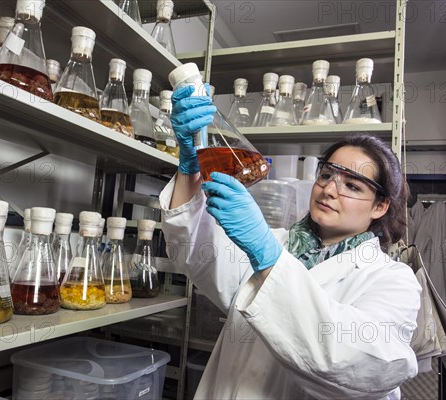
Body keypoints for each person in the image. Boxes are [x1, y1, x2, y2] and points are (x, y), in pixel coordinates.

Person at [159, 85, 421, 399]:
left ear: (380, 206)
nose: (329, 189)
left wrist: (269, 259)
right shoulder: (273, 242)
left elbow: (365, 366)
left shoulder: (391, 280)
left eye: (351, 185)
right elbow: (192, 252)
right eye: (326, 175)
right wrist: (190, 169)